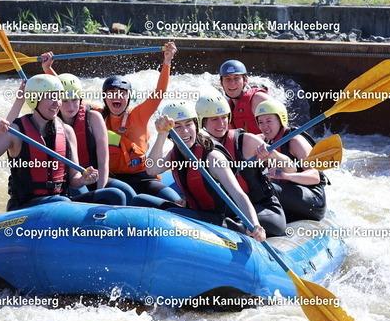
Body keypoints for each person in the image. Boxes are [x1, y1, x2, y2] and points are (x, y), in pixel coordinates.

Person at [0, 74, 126, 211]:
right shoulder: (17, 132)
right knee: (62, 202)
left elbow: (74, 179)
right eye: (51, 97)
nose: (57, 103)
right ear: (34, 99)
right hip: (26, 206)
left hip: (59, 204)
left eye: (58, 97)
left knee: (114, 196)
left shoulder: (67, 132)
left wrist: (84, 179)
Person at [135, 101, 266, 242]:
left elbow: (238, 194)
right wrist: (161, 134)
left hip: (222, 220)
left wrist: (255, 225)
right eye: (177, 126)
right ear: (170, 133)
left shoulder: (212, 158)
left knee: (172, 213)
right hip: (196, 212)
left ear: (196, 126)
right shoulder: (174, 153)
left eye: (188, 124)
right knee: (140, 200)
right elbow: (152, 169)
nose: (185, 131)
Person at [37, 53, 136, 203]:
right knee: (94, 193)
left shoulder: (93, 118)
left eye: (74, 100)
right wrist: (47, 69)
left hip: (94, 177)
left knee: (127, 193)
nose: (71, 106)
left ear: (80, 99)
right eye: (65, 101)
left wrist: (101, 190)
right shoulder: (48, 121)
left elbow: (103, 161)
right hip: (68, 181)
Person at [195, 91, 289, 236]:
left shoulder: (246, 141)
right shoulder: (199, 147)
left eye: (224, 117)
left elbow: (290, 168)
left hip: (265, 209)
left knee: (224, 221)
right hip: (231, 209)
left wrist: (274, 155)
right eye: (214, 119)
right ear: (202, 122)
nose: (221, 123)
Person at [99, 41, 180, 201]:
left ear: (128, 97)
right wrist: (49, 70)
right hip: (112, 179)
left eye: (122, 93)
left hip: (142, 177)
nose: (116, 96)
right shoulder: (97, 116)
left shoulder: (139, 114)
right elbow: (70, 100)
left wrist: (167, 62)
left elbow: (160, 92)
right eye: (111, 93)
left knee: (173, 199)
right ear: (105, 97)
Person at [254, 99, 328, 222]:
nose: (264, 126)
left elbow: (315, 176)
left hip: (313, 200)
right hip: (290, 195)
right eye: (260, 122)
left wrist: (285, 176)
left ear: (281, 120)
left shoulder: (295, 141)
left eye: (269, 121)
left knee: (267, 188)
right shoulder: (268, 142)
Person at [218, 59, 273, 135]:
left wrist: (251, 139)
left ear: (245, 80)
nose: (232, 83)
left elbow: (277, 130)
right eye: (227, 79)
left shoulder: (259, 99)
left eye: (236, 78)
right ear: (221, 83)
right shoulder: (225, 109)